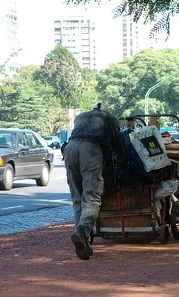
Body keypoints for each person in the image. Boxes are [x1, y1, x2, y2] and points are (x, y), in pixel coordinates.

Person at [63, 102, 125, 260]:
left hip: (70, 149)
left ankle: (83, 244)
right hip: (90, 151)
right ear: (106, 112)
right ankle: (82, 230)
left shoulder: (81, 116)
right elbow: (119, 145)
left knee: (78, 198)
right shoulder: (109, 119)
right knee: (92, 197)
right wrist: (120, 157)